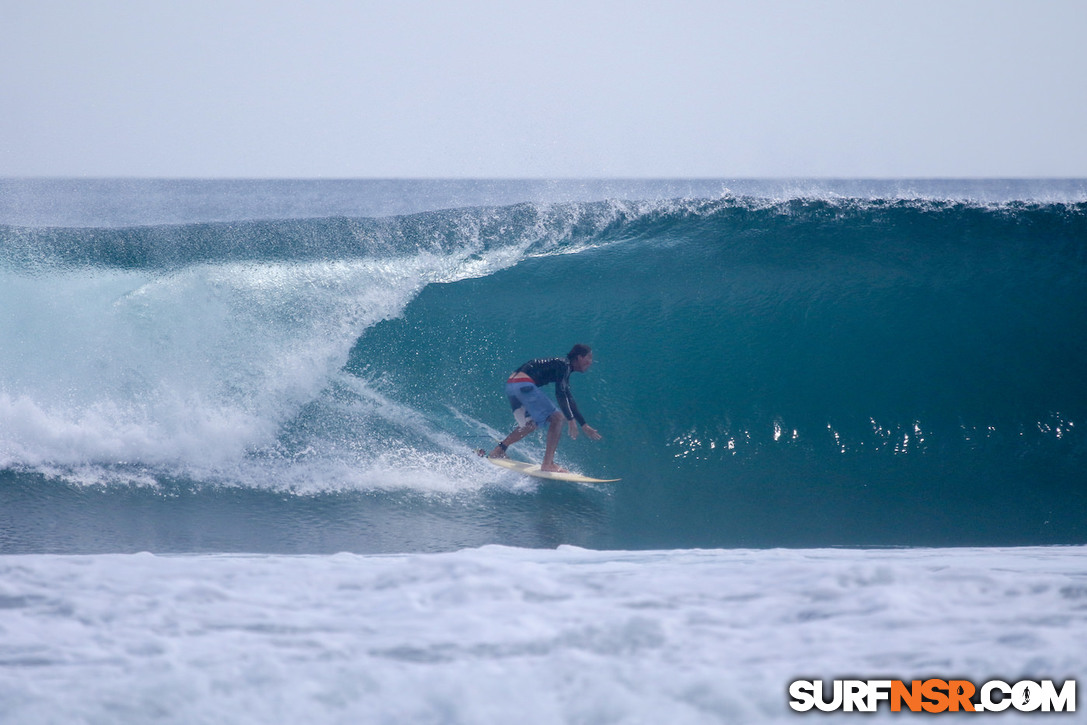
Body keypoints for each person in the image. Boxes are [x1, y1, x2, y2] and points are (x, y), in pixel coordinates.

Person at [485, 343, 602, 472]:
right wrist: (570, 420)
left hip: (512, 384)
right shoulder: (564, 365)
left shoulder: (563, 368)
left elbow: (568, 397)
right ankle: (548, 464)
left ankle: (499, 450)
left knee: (531, 424)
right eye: (589, 358)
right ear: (580, 357)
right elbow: (560, 393)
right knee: (557, 418)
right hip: (523, 383)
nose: (590, 362)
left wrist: (583, 424)